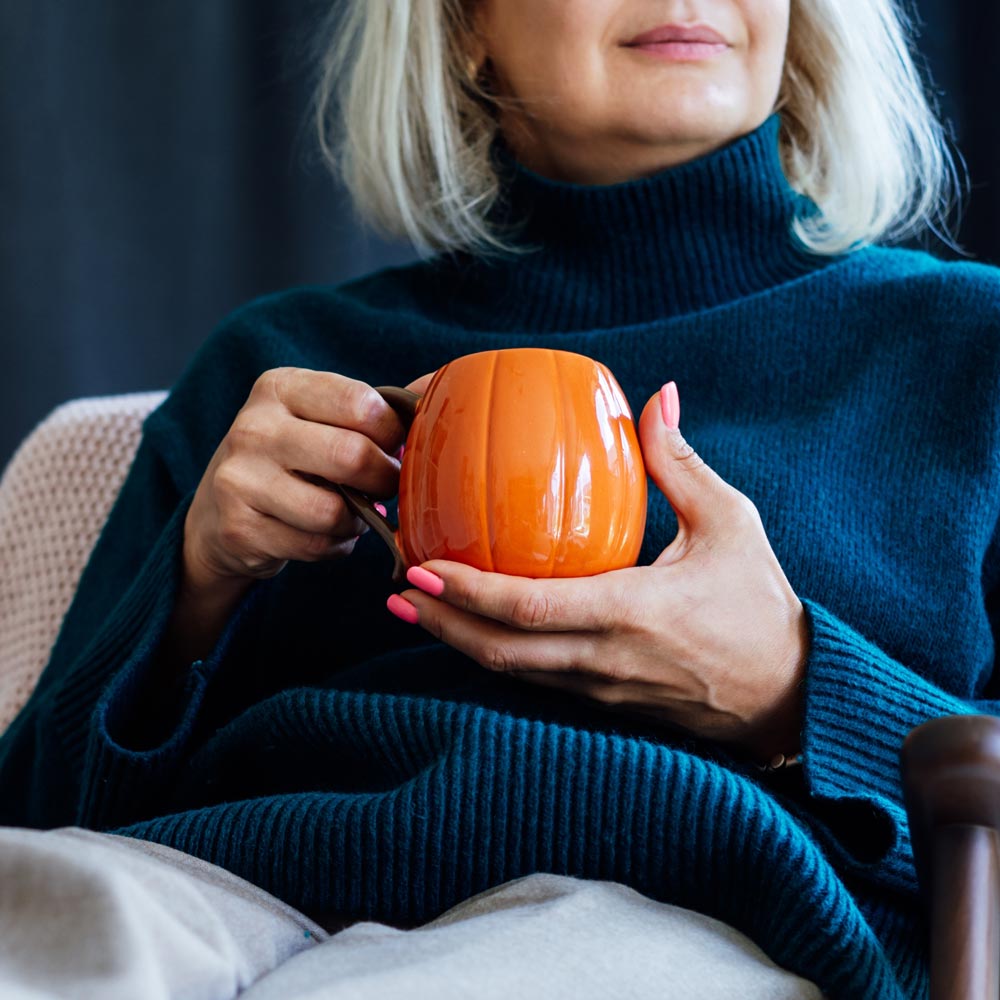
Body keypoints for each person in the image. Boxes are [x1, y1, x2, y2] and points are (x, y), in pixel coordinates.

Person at [0, 0, 996, 997]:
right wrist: (193, 590)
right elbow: (37, 822)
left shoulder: (966, 355)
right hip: (220, 886)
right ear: (463, 23)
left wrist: (788, 687)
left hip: (676, 913)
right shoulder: (274, 374)